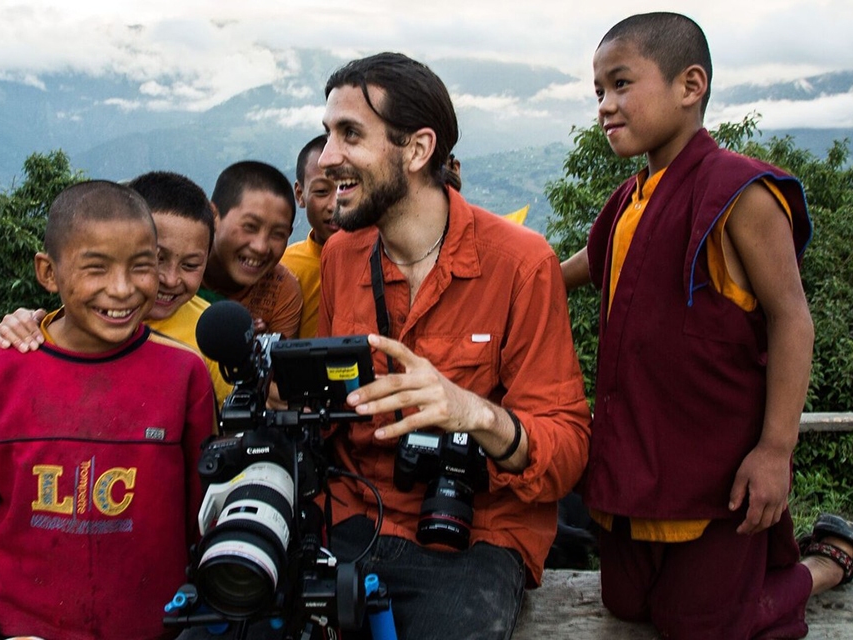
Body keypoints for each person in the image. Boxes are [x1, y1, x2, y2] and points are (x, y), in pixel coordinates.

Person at [559, 12, 853, 639]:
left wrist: (775, 451)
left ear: (690, 84)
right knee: (625, 603)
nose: (605, 106)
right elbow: (597, 260)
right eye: (598, 92)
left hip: (715, 469)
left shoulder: (740, 192)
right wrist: (517, 274)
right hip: (635, 456)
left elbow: (792, 320)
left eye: (621, 84)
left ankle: (824, 564)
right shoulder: (630, 197)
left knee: (699, 625)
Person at [316, 52, 591, 639]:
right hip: (353, 512)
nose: (327, 157)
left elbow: (567, 446)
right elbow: (331, 406)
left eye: (350, 135)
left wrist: (475, 414)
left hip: (475, 530)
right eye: (328, 134)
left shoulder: (520, 264)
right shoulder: (342, 256)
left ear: (418, 150)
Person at [0, 180, 216, 640]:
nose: (121, 289)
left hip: (153, 626)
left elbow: (204, 511)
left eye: (142, 267)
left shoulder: (184, 374)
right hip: (25, 628)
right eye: (96, 269)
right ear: (48, 272)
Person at [0, 171, 233, 404]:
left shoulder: (212, 338)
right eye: (155, 260)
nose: (170, 279)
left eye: (190, 265)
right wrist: (22, 329)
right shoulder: (64, 324)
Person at [201, 160, 303, 338]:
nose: (261, 247)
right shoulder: (177, 270)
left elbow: (279, 354)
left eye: (278, 234)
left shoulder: (282, 290)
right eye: (250, 226)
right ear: (213, 216)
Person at [279, 134, 339, 338]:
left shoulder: (384, 259)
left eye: (347, 187)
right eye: (321, 191)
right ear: (300, 194)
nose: (335, 205)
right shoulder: (285, 267)